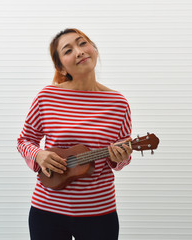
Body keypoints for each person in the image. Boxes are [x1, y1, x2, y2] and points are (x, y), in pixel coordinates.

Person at [17, 28, 132, 240]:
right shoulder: (47, 96)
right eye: (68, 50)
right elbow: (24, 140)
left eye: (82, 43)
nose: (79, 51)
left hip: (99, 212)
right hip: (46, 209)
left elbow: (123, 157)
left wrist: (121, 158)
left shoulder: (118, 103)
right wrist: (39, 155)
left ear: (94, 49)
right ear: (60, 66)